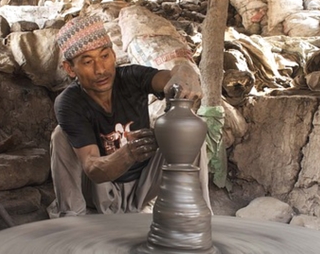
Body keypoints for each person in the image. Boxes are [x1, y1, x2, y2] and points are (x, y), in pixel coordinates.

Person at [47, 14, 209, 218]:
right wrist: (128, 154)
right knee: (60, 136)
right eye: (88, 62)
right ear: (70, 69)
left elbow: (168, 77)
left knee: (191, 132)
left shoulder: (131, 78)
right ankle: (71, 219)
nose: (100, 69)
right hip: (100, 192)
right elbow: (93, 168)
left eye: (105, 56)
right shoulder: (69, 102)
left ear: (114, 56)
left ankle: (197, 215)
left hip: (143, 186)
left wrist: (185, 71)